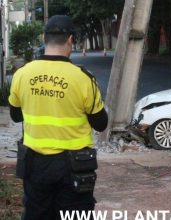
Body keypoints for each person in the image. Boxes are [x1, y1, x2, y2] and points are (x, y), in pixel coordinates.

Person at [8, 15, 108, 220]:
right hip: (75, 165)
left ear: (44, 37)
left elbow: (15, 115)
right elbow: (101, 124)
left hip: (35, 164)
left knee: (36, 214)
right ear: (71, 39)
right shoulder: (83, 78)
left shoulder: (22, 74)